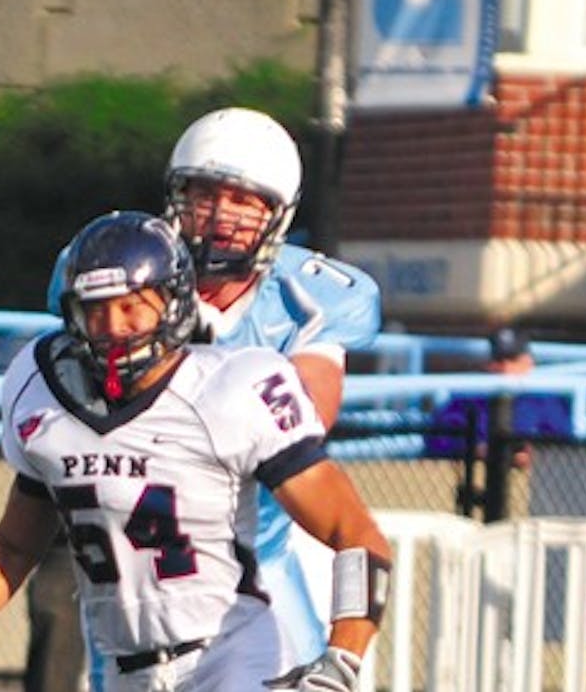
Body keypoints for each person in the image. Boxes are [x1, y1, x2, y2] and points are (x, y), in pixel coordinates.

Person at [0, 211, 391, 692]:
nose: (115, 327)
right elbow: (12, 548)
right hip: (125, 670)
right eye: (96, 311)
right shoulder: (45, 392)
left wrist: (341, 657)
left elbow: (356, 534)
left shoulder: (232, 387)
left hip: (233, 656)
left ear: (176, 302)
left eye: (131, 306)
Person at [31, 108, 382, 688]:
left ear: (278, 214)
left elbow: (308, 421)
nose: (222, 216)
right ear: (174, 196)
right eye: (205, 194)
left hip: (254, 569)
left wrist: (213, 356)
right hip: (131, 579)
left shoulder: (309, 297)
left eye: (245, 201)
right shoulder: (120, 271)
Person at [424, 326, 571, 471]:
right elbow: (436, 439)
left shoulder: (547, 403)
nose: (505, 368)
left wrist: (536, 456)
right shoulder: (467, 399)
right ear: (489, 364)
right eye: (499, 360)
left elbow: (568, 448)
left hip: (532, 484)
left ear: (528, 363)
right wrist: (475, 449)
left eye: (513, 360)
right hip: (477, 476)